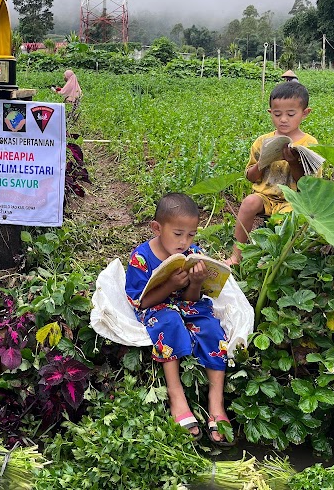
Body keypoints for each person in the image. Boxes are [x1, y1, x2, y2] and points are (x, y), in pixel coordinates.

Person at [125, 193, 232, 446]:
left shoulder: (193, 254)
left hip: (187, 305)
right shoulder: (141, 258)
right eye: (178, 234)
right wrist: (169, 284)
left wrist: (195, 282)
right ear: (157, 228)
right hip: (158, 308)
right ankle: (177, 396)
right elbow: (143, 302)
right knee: (169, 322)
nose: (185, 242)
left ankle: (216, 404)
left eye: (191, 235)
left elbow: (192, 300)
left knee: (211, 329)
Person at [227, 81, 317, 265]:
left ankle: (278, 261)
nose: (283, 119)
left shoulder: (310, 144)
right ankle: (236, 255)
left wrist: (293, 162)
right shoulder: (262, 141)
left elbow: (309, 185)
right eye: (277, 114)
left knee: (285, 222)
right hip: (265, 196)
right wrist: (262, 163)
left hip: (295, 200)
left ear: (305, 113)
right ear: (270, 113)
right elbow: (250, 177)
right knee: (249, 202)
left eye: (291, 114)